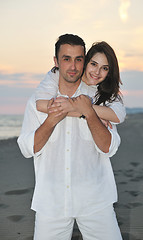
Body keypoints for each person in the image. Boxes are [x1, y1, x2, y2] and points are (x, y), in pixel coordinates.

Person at [17, 34, 123, 240]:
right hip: (51, 203)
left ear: (84, 60)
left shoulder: (99, 98)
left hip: (95, 200)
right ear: (56, 62)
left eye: (78, 59)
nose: (73, 66)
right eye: (66, 59)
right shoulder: (39, 99)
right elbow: (27, 149)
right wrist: (52, 119)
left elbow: (110, 148)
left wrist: (89, 113)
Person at [35, 41, 126, 125]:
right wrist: (89, 115)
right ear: (86, 62)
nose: (97, 72)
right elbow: (41, 105)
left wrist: (81, 109)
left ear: (109, 72)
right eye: (93, 64)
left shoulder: (107, 91)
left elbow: (119, 116)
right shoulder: (60, 74)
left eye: (104, 68)